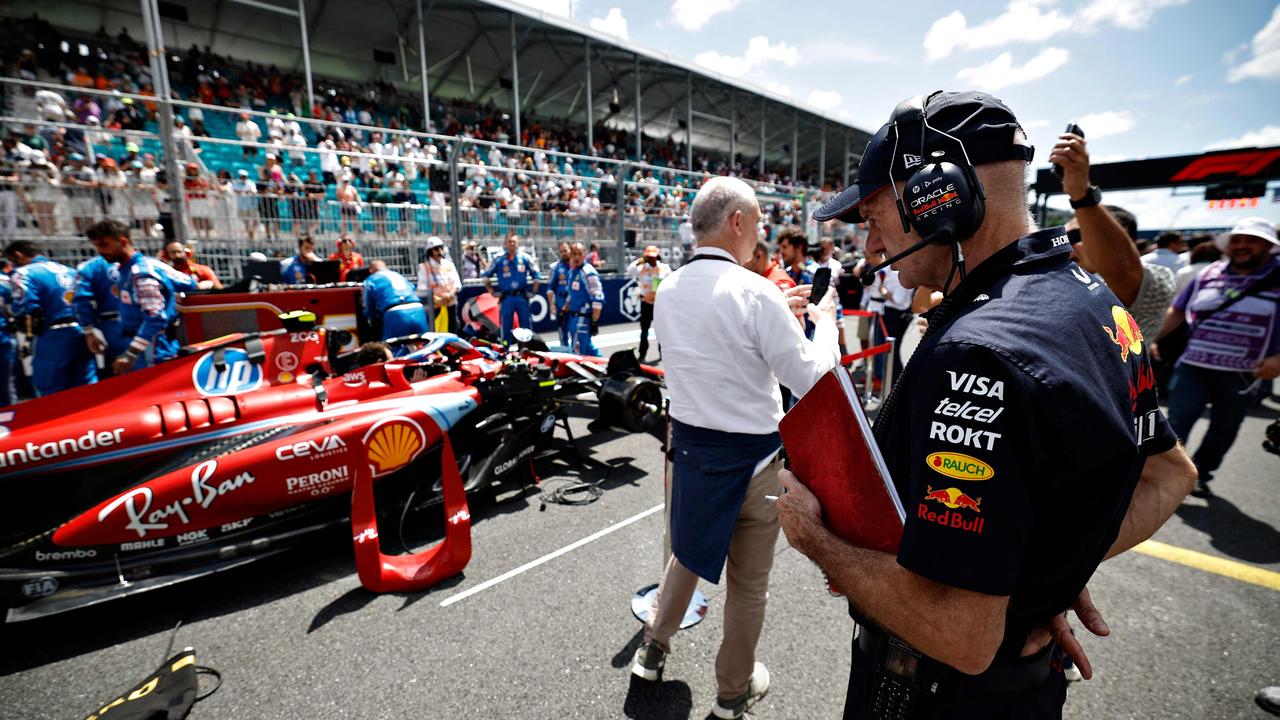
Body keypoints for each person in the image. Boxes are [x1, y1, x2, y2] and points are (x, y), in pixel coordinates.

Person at [781, 90, 1196, 719]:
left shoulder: (976, 352)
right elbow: (1170, 474)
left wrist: (814, 537)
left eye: (873, 215)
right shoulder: (1097, 301)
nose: (870, 243)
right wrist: (1039, 579)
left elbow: (962, 635)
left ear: (937, 194)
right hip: (1025, 688)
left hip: (931, 692)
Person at [632, 176, 839, 719]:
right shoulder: (757, 292)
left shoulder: (671, 287)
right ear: (738, 223)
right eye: (758, 224)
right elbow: (811, 376)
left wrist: (777, 308)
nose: (760, 235)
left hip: (695, 452)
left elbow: (718, 340)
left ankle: (653, 649)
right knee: (749, 586)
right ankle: (732, 692)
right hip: (753, 461)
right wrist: (823, 322)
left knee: (687, 557)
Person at [1151, 217, 1280, 497]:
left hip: (1245, 374)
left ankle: (1201, 474)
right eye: (1237, 240)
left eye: (1252, 240)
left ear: (1269, 246)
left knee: (1224, 429)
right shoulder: (1209, 273)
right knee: (1176, 423)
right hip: (1194, 365)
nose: (1242, 246)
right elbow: (1177, 311)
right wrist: (1150, 338)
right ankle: (1162, 475)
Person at [1053, 133, 1176, 337]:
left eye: (1077, 237)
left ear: (1126, 241)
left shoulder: (1156, 281)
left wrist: (1081, 194)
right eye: (1064, 238)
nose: (1066, 246)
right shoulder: (1050, 280)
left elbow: (1121, 271)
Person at [87, 219, 197, 373]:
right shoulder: (145, 266)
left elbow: (155, 317)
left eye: (104, 245)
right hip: (144, 346)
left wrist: (130, 354)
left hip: (150, 351)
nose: (99, 251)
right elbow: (187, 283)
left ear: (123, 241)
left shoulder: (140, 272)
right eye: (96, 245)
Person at [3, 240, 98, 395]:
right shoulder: (70, 270)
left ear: (17, 255)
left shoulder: (24, 273)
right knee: (87, 385)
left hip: (53, 335)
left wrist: (11, 310)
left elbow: (24, 305)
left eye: (11, 261)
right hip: (82, 332)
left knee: (50, 387)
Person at [73, 251, 129, 369]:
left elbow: (79, 300)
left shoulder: (90, 266)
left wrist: (88, 330)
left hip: (113, 326)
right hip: (147, 325)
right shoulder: (144, 262)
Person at [483, 233, 541, 343]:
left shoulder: (525, 258)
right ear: (505, 243)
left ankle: (526, 349)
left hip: (521, 297)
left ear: (518, 242)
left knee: (526, 326)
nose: (512, 244)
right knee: (506, 326)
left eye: (514, 241)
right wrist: (492, 292)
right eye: (509, 242)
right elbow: (486, 275)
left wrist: (533, 292)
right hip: (506, 298)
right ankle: (506, 350)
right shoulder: (498, 259)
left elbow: (537, 275)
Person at [363, 260, 430, 346]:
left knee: (393, 349)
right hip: (418, 309)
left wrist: (371, 319)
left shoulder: (370, 279)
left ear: (371, 270)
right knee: (424, 347)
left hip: (395, 313)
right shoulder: (398, 275)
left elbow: (368, 304)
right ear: (386, 267)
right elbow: (413, 289)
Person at [626, 245, 671, 362]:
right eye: (648, 257)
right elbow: (629, 269)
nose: (651, 259)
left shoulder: (664, 268)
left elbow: (671, 281)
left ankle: (663, 354)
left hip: (660, 304)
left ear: (657, 257)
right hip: (646, 304)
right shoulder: (641, 267)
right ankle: (642, 355)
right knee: (644, 331)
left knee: (662, 330)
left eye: (653, 257)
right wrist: (639, 260)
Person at [563, 242, 605, 357]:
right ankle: (604, 365)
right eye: (574, 254)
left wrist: (594, 321)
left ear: (585, 254)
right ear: (570, 255)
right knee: (586, 347)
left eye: (580, 254)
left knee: (578, 348)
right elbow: (571, 294)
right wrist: (564, 310)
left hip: (583, 318)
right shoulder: (572, 271)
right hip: (573, 316)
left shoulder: (588, 272)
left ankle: (582, 373)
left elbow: (598, 297)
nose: (577, 257)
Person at [417, 236, 461, 333]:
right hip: (435, 307)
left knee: (452, 331)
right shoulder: (424, 267)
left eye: (441, 248)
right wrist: (436, 298)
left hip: (450, 303)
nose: (440, 251)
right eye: (436, 249)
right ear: (430, 251)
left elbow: (456, 283)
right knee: (436, 332)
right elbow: (422, 289)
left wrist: (449, 294)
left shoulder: (449, 265)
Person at [546, 241, 573, 348]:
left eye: (565, 250)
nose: (563, 253)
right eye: (561, 251)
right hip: (561, 302)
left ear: (570, 250)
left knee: (575, 330)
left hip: (575, 302)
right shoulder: (556, 268)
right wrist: (551, 304)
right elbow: (550, 288)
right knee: (563, 329)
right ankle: (565, 350)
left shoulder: (576, 265)